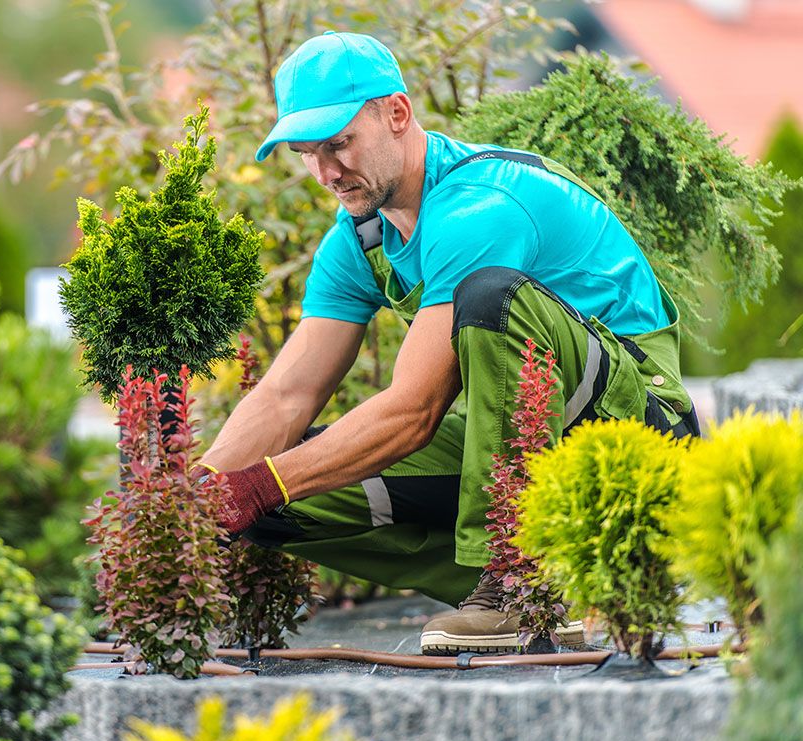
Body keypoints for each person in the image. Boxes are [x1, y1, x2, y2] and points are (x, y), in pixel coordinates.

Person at [198, 31, 699, 656]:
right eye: (307, 153)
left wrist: (262, 483)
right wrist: (195, 500)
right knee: (270, 499)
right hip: (524, 444)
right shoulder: (359, 241)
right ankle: (558, 589)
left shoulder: (480, 207)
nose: (326, 172)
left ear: (397, 114)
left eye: (339, 144)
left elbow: (414, 411)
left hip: (639, 434)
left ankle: (518, 586)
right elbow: (285, 397)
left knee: (489, 296)